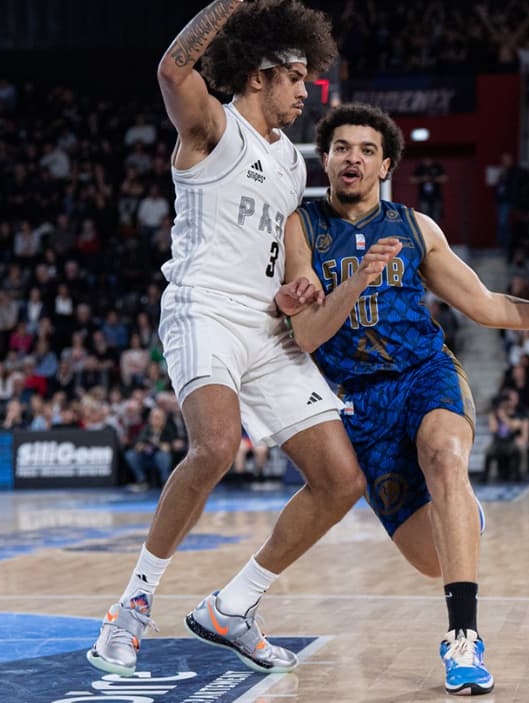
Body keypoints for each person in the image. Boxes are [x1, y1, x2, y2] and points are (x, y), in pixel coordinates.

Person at [281, 103, 529, 695]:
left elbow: (486, 305)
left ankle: (463, 639)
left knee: (444, 455)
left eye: (367, 150)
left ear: (385, 166)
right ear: (327, 160)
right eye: (341, 148)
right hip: (359, 400)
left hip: (425, 371)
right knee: (432, 559)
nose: (353, 158)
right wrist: (358, 277)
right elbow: (307, 335)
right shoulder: (302, 227)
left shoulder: (416, 228)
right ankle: (460, 509)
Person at [87, 0, 357, 680]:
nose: (306, 91)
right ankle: (132, 606)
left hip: (265, 326)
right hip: (203, 308)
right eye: (295, 77)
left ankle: (232, 607)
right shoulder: (212, 127)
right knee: (214, 445)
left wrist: (302, 284)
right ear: (259, 75)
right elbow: (172, 70)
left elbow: (292, 252)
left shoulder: (291, 163)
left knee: (340, 480)